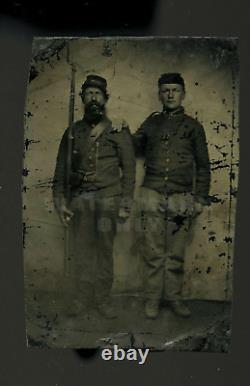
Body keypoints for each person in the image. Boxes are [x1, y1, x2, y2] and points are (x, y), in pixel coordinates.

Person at [53, 74, 136, 319]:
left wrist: (125, 205)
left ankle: (102, 300)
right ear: (82, 98)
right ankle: (82, 299)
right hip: (81, 200)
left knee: (104, 251)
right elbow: (60, 170)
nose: (93, 98)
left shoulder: (118, 130)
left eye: (97, 94)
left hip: (109, 199)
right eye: (88, 93)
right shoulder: (72, 131)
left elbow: (129, 171)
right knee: (82, 252)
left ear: (106, 98)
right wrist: (60, 201)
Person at [133, 73, 211, 319]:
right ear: (159, 94)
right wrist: (124, 130)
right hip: (152, 193)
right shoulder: (151, 123)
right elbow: (134, 147)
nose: (170, 94)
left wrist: (200, 198)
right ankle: (152, 300)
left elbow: (204, 166)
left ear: (183, 94)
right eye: (165, 90)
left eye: (175, 90)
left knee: (175, 254)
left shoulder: (193, 127)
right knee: (153, 252)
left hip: (181, 196)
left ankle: (175, 299)